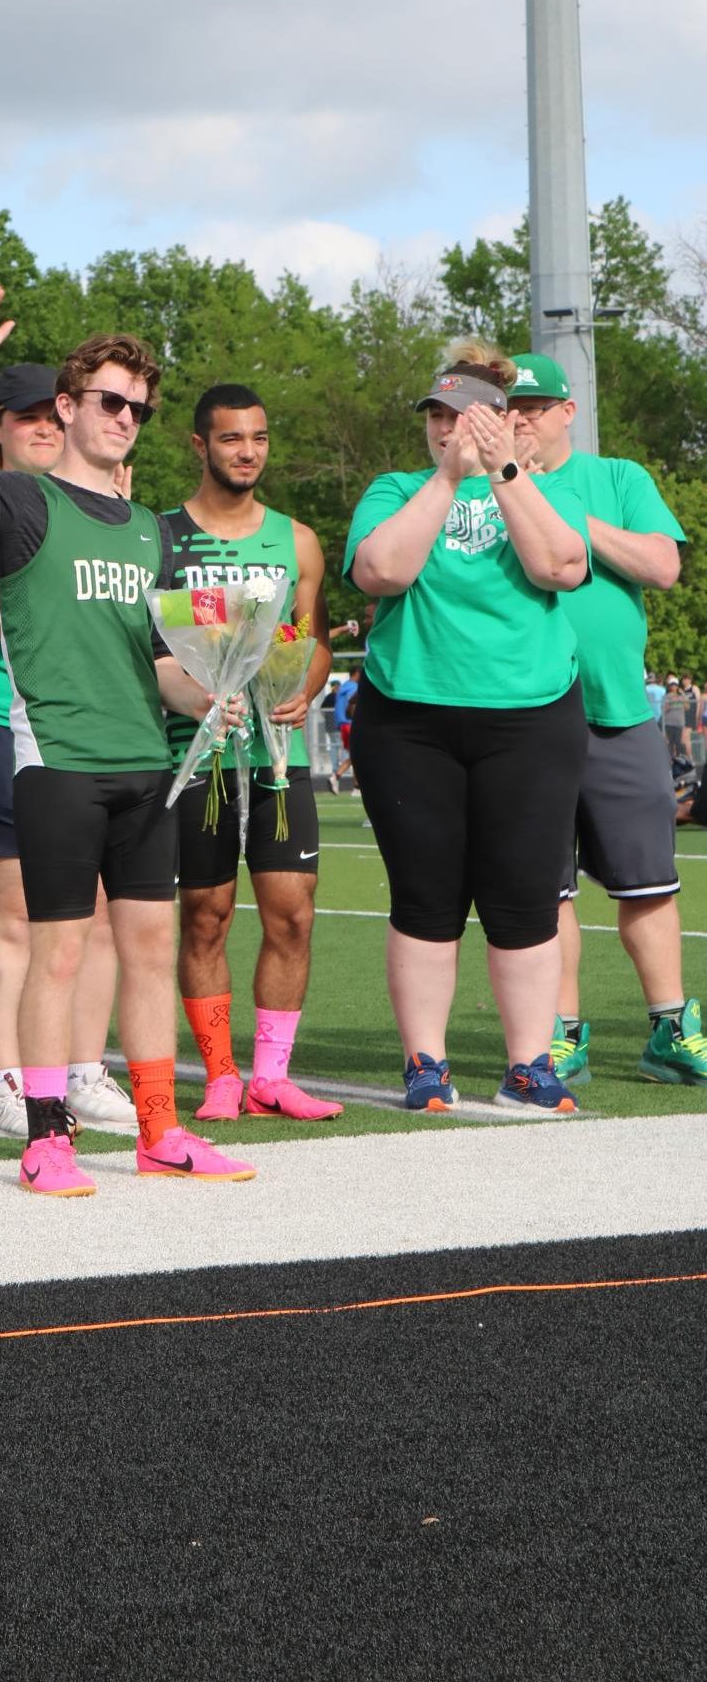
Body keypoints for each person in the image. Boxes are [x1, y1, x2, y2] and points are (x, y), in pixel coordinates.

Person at [0, 286, 255, 1195]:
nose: (125, 418)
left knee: (143, 950)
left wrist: (217, 691)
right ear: (67, 407)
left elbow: (165, 663)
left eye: (139, 407)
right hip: (57, 765)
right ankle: (47, 1137)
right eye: (108, 400)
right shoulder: (20, 503)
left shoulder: (151, 530)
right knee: (55, 952)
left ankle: (158, 1129)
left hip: (146, 768)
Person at [344, 341, 590, 1114]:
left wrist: (503, 471)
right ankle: (426, 1062)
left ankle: (528, 1066)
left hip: (530, 718)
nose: (448, 427)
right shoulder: (396, 488)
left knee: (524, 897)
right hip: (411, 718)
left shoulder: (541, 485)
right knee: (426, 896)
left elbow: (562, 566)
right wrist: (450, 478)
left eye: (466, 415)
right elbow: (382, 571)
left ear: (503, 418)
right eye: (437, 416)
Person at [0, 360, 137, 1143]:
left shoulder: (102, 509)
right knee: (16, 916)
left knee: (106, 916)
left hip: (84, 729)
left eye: (56, 413)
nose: (45, 427)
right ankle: (2, 1085)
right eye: (26, 417)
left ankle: (81, 1073)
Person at [504, 353, 705, 1089]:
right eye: (508, 407)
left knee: (648, 880)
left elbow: (661, 565)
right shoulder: (483, 486)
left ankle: (671, 1027)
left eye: (534, 405)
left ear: (567, 411)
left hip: (618, 711)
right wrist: (515, 485)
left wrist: (564, 513)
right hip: (525, 717)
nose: (519, 418)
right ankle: (561, 1034)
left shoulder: (619, 478)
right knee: (547, 888)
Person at [161, 383, 342, 1124]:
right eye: (232, 439)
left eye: (259, 438)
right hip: (195, 755)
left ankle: (272, 1075)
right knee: (206, 915)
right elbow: (153, 648)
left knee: (291, 914)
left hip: (277, 754)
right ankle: (221, 1075)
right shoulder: (161, 537)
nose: (248, 452)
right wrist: (196, 695)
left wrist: (309, 686)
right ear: (200, 446)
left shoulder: (296, 539)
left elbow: (317, 639)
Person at [328, 665, 361, 794]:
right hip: (351, 724)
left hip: (343, 725)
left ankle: (356, 787)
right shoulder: (353, 687)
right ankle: (336, 776)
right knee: (357, 755)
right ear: (356, 674)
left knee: (355, 755)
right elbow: (352, 705)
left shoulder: (343, 687)